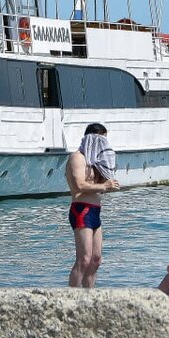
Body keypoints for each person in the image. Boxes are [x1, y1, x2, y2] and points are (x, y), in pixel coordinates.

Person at [65, 123, 119, 288]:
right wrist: (104, 186)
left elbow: (102, 182)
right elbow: (78, 186)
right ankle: (71, 298)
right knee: (84, 258)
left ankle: (89, 297)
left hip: (95, 212)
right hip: (81, 210)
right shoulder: (78, 158)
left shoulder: (95, 162)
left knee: (96, 259)